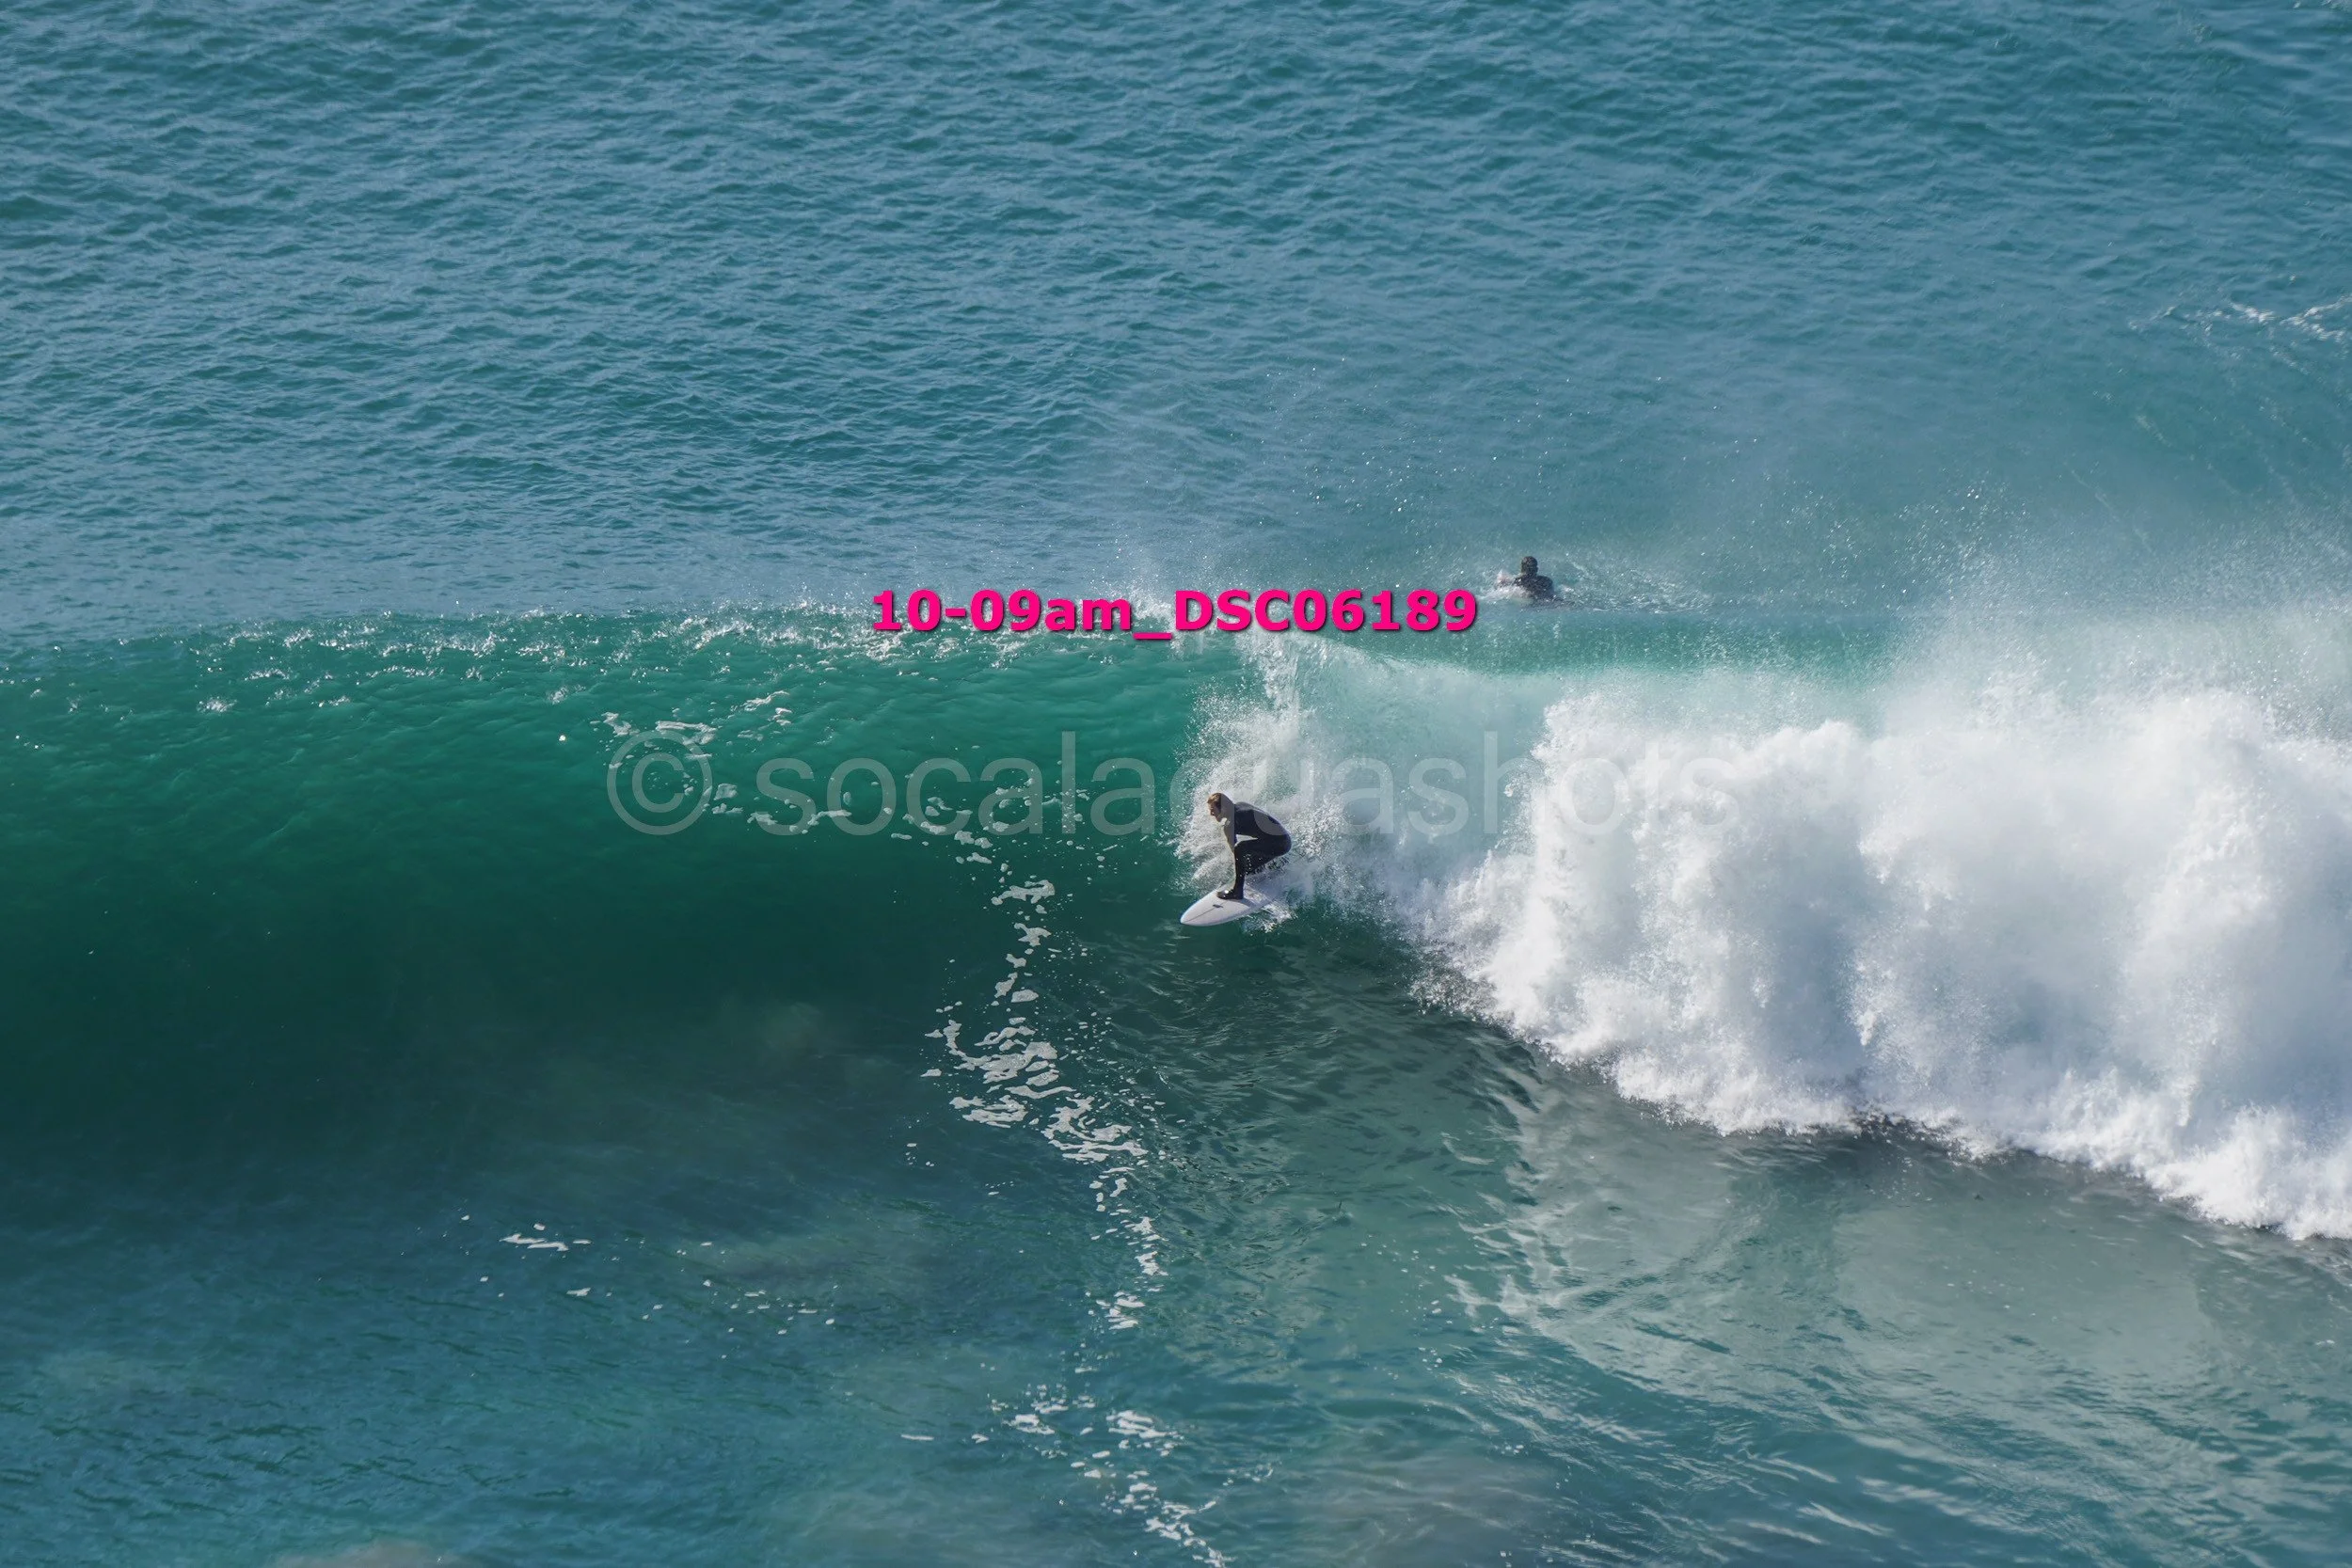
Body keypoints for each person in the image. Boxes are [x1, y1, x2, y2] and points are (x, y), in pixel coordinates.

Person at [1206, 792, 1291, 901]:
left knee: (1240, 848)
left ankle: (1237, 891)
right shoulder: (1241, 805)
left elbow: (1235, 851)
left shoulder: (1230, 824)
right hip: (1285, 841)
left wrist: (1240, 867)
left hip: (1279, 845)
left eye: (1213, 810)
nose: (1211, 813)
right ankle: (1275, 865)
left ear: (1222, 808)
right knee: (1247, 866)